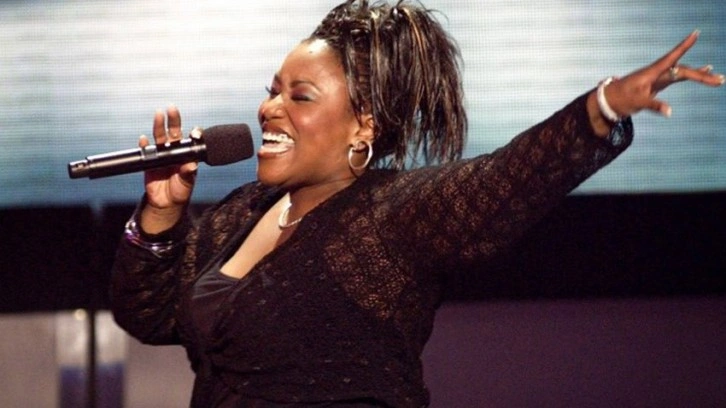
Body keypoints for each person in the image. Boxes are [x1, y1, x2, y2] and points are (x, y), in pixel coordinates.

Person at [109, 0, 724, 407]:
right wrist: (161, 212)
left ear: (363, 127)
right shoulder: (243, 212)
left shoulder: (389, 215)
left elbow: (506, 180)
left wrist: (603, 107)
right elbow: (152, 318)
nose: (269, 109)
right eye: (272, 92)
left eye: (300, 96)